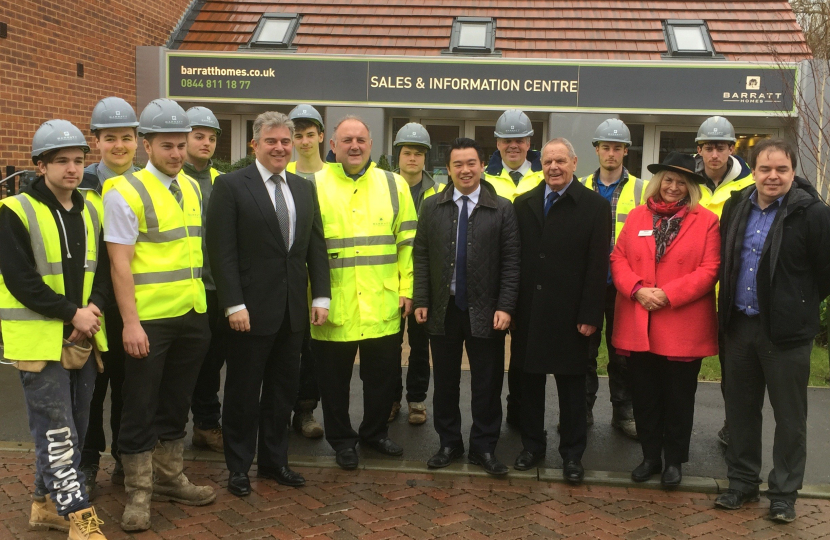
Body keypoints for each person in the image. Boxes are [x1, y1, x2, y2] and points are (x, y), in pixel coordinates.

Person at [103, 98, 215, 532]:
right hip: (148, 321)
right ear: (146, 145)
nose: (176, 153)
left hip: (191, 314)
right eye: (167, 145)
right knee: (139, 405)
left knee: (176, 401)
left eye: (181, 145)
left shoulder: (189, 186)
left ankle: (169, 477)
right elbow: (120, 264)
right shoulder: (124, 192)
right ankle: (139, 492)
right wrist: (131, 324)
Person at [207, 111, 331, 496]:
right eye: (272, 141)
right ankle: (239, 468)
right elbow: (220, 252)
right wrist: (233, 305)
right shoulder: (231, 186)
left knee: (282, 392)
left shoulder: (302, 187)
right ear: (254, 144)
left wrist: (321, 295)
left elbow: (315, 246)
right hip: (249, 312)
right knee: (244, 393)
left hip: (293, 311)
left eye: (285, 141)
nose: (280, 147)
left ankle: (275, 462)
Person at [0, 120, 111, 539]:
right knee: (58, 433)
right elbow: (20, 280)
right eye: (61, 161)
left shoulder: (92, 207)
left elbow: (100, 270)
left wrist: (94, 309)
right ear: (41, 165)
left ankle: (43, 505)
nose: (71, 168)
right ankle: (80, 520)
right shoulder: (14, 211)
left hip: (81, 337)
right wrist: (73, 314)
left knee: (76, 429)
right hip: (39, 341)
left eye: (78, 161)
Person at [714, 139, 830, 522]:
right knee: (741, 412)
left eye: (781, 169)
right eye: (765, 169)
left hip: (786, 334)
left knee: (790, 418)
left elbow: (824, 274)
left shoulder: (813, 214)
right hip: (739, 326)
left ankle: (783, 493)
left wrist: (797, 304)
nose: (773, 176)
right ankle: (742, 483)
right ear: (753, 171)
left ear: (792, 172)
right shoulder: (735, 207)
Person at [311, 116, 417, 471]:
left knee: (381, 379)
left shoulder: (394, 184)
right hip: (333, 304)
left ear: (371, 145)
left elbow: (408, 244)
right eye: (346, 140)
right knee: (334, 382)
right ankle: (341, 441)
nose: (354, 145)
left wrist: (407, 289)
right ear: (333, 146)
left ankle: (374, 433)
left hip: (381, 301)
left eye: (360, 139)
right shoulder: (313, 185)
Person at [610, 152, 720, 488]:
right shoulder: (639, 216)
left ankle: (674, 461)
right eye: (668, 180)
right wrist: (637, 290)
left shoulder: (706, 221)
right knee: (644, 397)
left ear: (691, 187)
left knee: (678, 398)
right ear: (659, 182)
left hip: (681, 324)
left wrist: (668, 294)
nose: (673, 187)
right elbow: (618, 257)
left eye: (681, 182)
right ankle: (649, 457)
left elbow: (710, 269)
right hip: (639, 320)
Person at [413, 137, 519, 474]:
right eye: (458, 164)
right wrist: (422, 299)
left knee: (486, 384)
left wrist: (505, 306)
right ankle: (449, 443)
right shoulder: (432, 206)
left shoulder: (501, 208)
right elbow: (422, 255)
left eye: (471, 163)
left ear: (482, 165)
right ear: (448, 169)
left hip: (486, 312)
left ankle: (484, 448)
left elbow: (512, 262)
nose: (465, 170)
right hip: (444, 310)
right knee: (444, 382)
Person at [511, 138, 610, 483]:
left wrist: (590, 315)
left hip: (571, 316)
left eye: (561, 161)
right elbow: (514, 261)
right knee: (529, 385)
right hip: (530, 313)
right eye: (548, 161)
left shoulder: (595, 207)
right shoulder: (523, 204)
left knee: (572, 389)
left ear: (574, 162)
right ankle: (532, 446)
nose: (554, 167)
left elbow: (598, 267)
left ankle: (572, 455)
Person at [78, 96, 140, 498]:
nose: (119, 145)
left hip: (132, 306)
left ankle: (123, 457)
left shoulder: (147, 183)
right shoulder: (77, 181)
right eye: (110, 138)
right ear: (96, 140)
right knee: (89, 391)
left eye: (127, 137)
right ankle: (86, 463)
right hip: (88, 308)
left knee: (128, 388)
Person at [578, 119, 645, 438]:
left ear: (626, 152)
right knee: (584, 351)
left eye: (617, 148)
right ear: (597, 150)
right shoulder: (577, 186)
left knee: (623, 355)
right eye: (605, 147)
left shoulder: (643, 189)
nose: (611, 153)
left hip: (624, 287)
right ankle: (583, 410)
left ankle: (624, 411)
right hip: (586, 285)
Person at [695, 115, 754, 447]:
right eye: (708, 148)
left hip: (733, 294)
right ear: (699, 150)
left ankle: (736, 427)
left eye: (720, 147)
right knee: (680, 363)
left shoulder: (749, 187)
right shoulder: (689, 184)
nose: (714, 154)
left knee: (736, 369)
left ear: (732, 148)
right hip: (695, 292)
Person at [390, 122, 442, 426]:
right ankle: (392, 399)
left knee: (421, 345)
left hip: (426, 282)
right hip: (391, 280)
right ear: (398, 155)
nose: (413, 158)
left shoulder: (438, 191)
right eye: (408, 152)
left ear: (426, 158)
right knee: (390, 346)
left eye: (418, 153)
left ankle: (417, 400)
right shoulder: (385, 188)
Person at [183, 106, 227, 454]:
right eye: (199, 136)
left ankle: (207, 424)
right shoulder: (169, 182)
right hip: (179, 289)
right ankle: (167, 432)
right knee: (182, 364)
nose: (206, 143)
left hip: (215, 288)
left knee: (211, 361)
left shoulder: (221, 183)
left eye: (212, 138)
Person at [286, 103, 327, 439]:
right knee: (286, 350)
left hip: (325, 282)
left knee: (313, 354)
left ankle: (306, 411)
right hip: (288, 285)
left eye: (309, 134)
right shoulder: (280, 174)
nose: (303, 141)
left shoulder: (336, 178)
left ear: (321, 136)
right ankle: (277, 410)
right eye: (297, 135)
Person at [483, 109, 544, 201]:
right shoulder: (482, 177)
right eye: (507, 141)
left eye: (519, 141)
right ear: (498, 144)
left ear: (528, 144)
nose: (513, 146)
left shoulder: (545, 175)